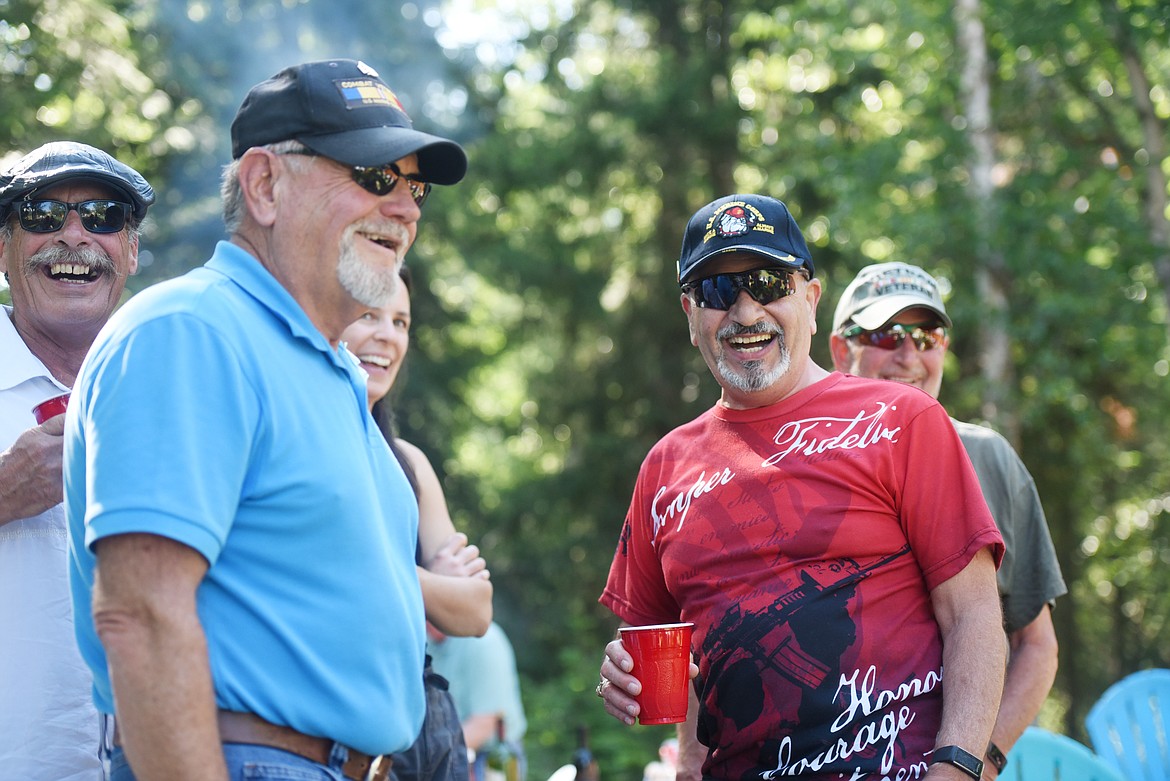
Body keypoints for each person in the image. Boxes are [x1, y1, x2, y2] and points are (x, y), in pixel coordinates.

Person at [63, 58, 467, 781]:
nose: (406, 208)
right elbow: (141, 616)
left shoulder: (332, 371)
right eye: (376, 177)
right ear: (264, 185)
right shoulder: (192, 330)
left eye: (417, 187)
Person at [596, 194, 1007, 781]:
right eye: (717, 291)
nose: (744, 311)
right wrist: (623, 681)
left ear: (810, 300)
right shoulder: (664, 467)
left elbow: (973, 615)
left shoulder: (903, 419)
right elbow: (660, 651)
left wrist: (958, 769)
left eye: (768, 282)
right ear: (690, 314)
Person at [828, 261, 1067, 777]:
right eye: (884, 334)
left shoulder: (989, 458)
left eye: (926, 335)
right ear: (840, 350)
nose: (909, 355)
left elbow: (1038, 645)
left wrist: (978, 761)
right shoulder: (807, 464)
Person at [0, 140, 154, 780]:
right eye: (41, 215)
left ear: (132, 252)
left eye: (102, 216)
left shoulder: (169, 392)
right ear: (2, 247)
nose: (74, 236)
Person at [340, 264, 494, 781]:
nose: (387, 335)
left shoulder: (408, 462)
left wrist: (386, 575)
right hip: (343, 724)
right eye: (369, 315)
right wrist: (431, 584)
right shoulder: (307, 441)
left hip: (428, 729)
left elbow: (475, 612)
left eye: (401, 322)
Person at [428, 621, 528, 781]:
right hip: (448, 752)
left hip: (492, 758)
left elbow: (483, 725)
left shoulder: (484, 641)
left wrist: (428, 759)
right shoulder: (427, 642)